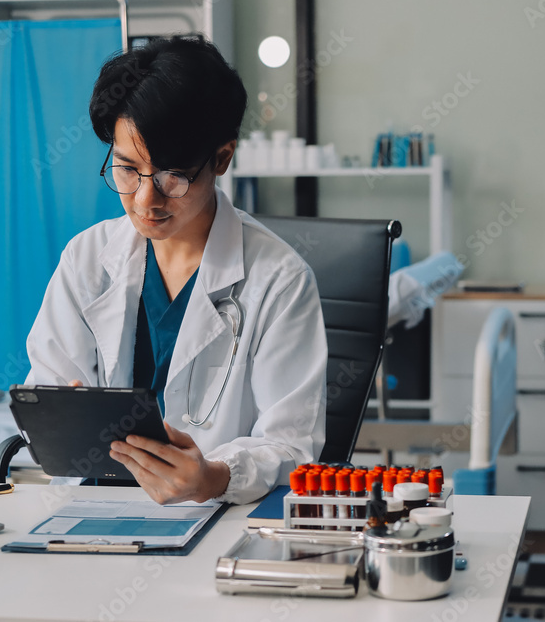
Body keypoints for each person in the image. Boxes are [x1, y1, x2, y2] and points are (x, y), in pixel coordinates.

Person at [23, 35, 327, 506]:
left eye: (172, 176)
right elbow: (45, 388)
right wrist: (60, 414)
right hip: (93, 510)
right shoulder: (86, 258)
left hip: (214, 517)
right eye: (127, 169)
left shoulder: (279, 280)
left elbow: (292, 446)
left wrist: (216, 477)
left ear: (221, 159)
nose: (146, 200)